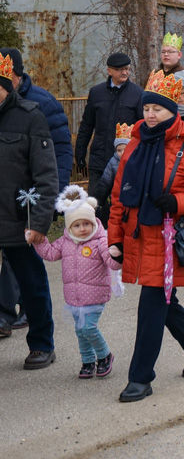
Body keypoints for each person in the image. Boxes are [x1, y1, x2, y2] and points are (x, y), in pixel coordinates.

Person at [107, 70, 184, 402]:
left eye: (157, 109)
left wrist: (178, 202)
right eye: (146, 109)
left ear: (174, 109)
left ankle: (140, 378)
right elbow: (119, 196)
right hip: (137, 235)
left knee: (151, 304)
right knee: (164, 301)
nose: (150, 115)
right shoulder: (134, 143)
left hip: (170, 239)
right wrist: (113, 239)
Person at [0, 47, 73, 334]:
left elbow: (48, 172)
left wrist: (42, 220)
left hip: (20, 217)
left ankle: (42, 342)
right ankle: (4, 317)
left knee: (32, 285)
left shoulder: (32, 115)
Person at [32, 186, 121, 379]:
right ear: (70, 227)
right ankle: (87, 361)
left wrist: (118, 254)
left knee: (88, 328)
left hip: (95, 296)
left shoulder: (100, 241)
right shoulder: (65, 241)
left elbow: (112, 263)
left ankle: (105, 356)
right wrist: (39, 240)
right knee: (80, 332)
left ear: (93, 223)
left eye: (86, 224)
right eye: (77, 225)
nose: (82, 229)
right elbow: (50, 253)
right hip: (74, 297)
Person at [75, 52, 143, 200]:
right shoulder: (97, 93)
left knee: (122, 201)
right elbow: (87, 124)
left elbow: (142, 127)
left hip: (125, 159)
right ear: (109, 71)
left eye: (127, 68)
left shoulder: (138, 94)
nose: (124, 72)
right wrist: (80, 150)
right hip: (99, 157)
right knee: (95, 201)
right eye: (120, 69)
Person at [93, 124, 133, 210]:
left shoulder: (136, 161)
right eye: (119, 150)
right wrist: (101, 200)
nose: (122, 153)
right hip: (116, 198)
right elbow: (105, 182)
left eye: (125, 149)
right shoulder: (113, 162)